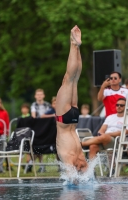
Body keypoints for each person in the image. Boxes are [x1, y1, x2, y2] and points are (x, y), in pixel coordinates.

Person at [55, 25, 88, 173]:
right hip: (64, 120)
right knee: (70, 79)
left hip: (73, 120)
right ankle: (74, 45)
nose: (80, 167)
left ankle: (76, 45)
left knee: (74, 80)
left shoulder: (80, 160)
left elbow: (82, 176)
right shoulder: (72, 159)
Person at [31, 89, 51, 173]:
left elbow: (51, 116)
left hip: (48, 129)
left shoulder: (47, 105)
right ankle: (40, 165)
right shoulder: (33, 105)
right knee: (37, 147)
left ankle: (59, 166)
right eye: (37, 94)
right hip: (38, 129)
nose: (39, 96)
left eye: (40, 94)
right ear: (35, 96)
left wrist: (44, 117)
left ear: (43, 95)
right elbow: (34, 117)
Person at [0, 97, 9, 173]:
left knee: (1, 150)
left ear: (1, 104)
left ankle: (0, 167)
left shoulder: (4, 112)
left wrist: (6, 133)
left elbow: (6, 123)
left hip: (2, 133)